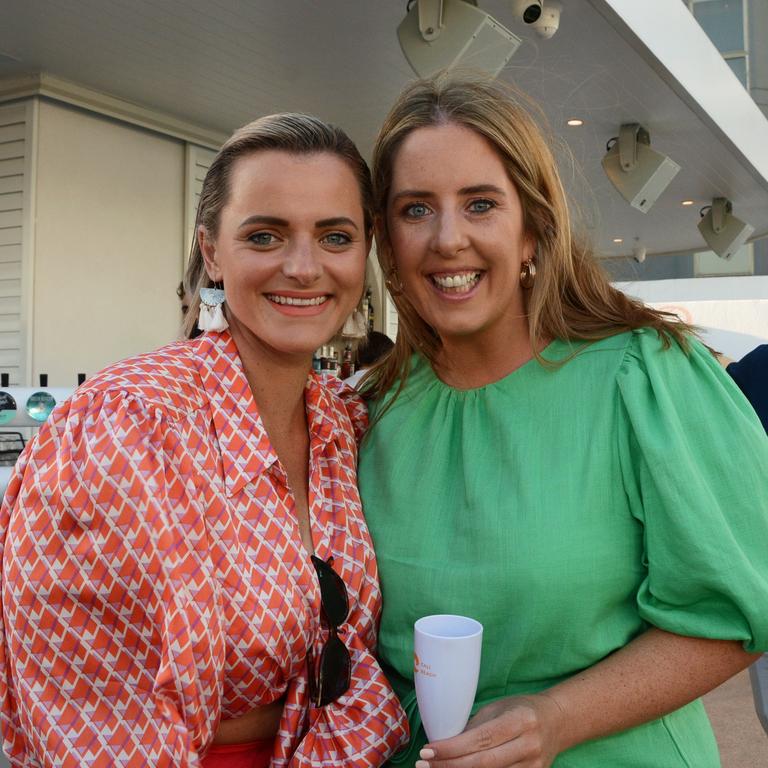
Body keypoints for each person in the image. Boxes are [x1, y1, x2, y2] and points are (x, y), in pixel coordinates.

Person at [357, 75, 768, 768]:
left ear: (533, 230)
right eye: (415, 209)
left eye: (481, 204)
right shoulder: (370, 408)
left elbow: (736, 611)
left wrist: (559, 718)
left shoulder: (645, 377)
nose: (447, 238)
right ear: (388, 244)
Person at [0, 113, 407, 767]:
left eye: (335, 235)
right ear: (212, 250)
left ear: (364, 252)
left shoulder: (342, 422)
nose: (303, 267)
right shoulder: (125, 428)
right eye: (265, 234)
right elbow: (86, 726)